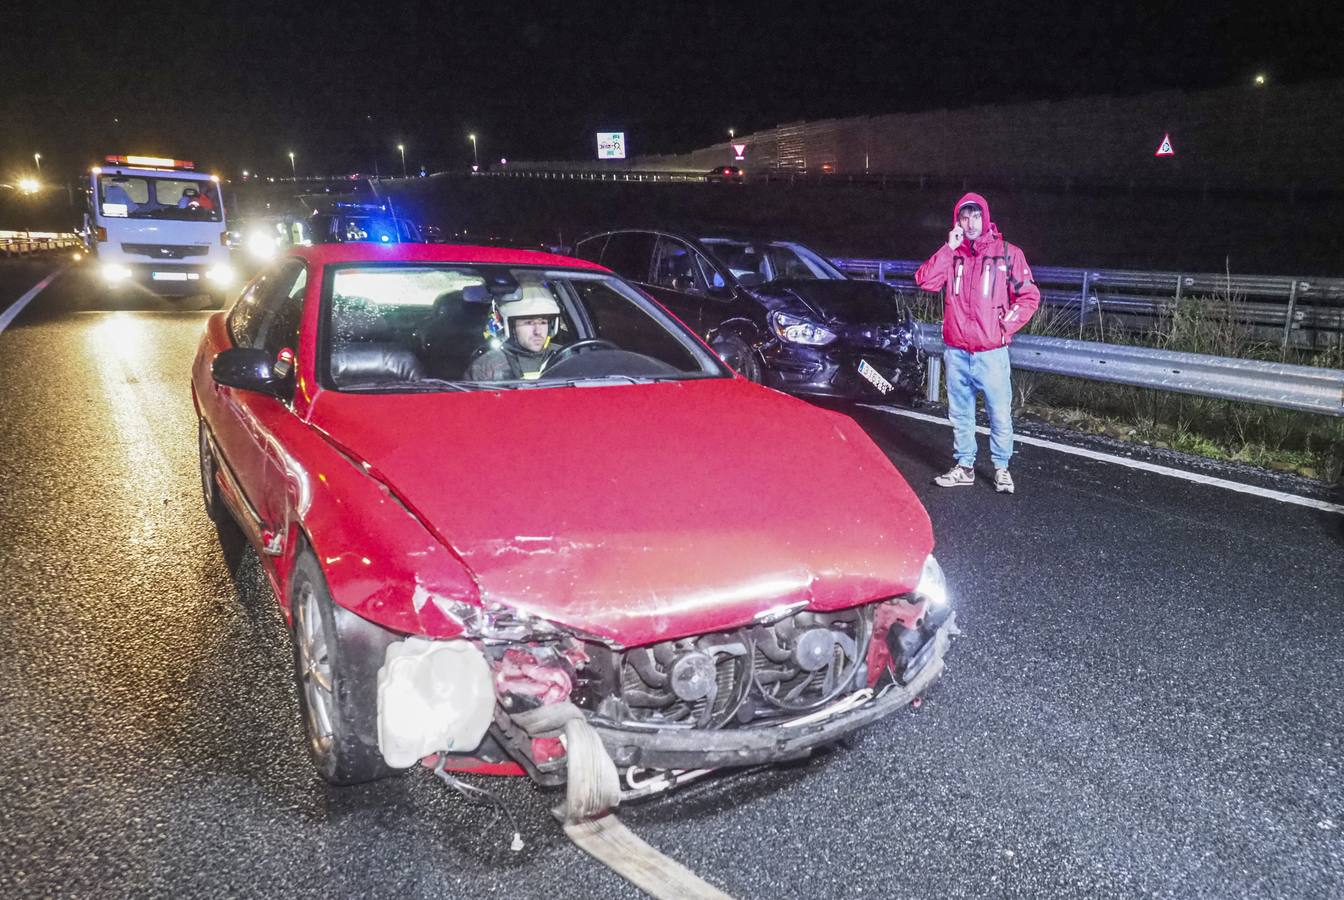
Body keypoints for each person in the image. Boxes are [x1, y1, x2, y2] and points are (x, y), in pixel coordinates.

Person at [915, 192, 1040, 494]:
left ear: (985, 218)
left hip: (991, 353)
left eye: (975, 216)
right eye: (964, 217)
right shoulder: (953, 254)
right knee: (960, 414)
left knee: (999, 413)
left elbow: (1029, 296)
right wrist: (948, 247)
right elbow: (924, 280)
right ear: (957, 221)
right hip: (957, 351)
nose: (970, 223)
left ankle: (1002, 468)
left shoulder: (1008, 253)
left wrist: (1004, 327)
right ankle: (965, 466)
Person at [464, 285, 562, 381]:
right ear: (510, 327)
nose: (538, 331)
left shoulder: (563, 357)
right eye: (528, 323)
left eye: (543, 322)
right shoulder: (486, 366)